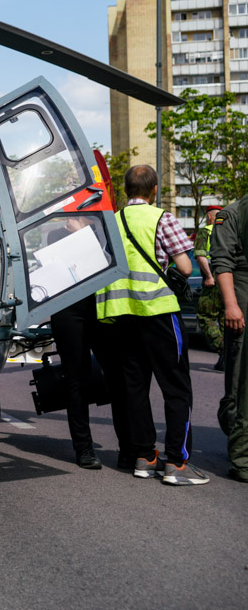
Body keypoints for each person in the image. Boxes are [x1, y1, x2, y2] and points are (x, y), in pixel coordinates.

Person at [95, 165, 206, 485]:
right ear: (154, 189)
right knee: (177, 388)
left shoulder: (111, 223)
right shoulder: (162, 218)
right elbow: (185, 267)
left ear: (126, 189)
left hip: (122, 315)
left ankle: (144, 457)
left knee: (135, 388)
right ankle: (177, 463)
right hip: (157, 311)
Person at [46, 217, 130, 469]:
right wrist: (80, 235)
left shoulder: (104, 229)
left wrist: (85, 233)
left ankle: (128, 447)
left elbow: (104, 264)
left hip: (101, 306)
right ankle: (84, 448)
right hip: (68, 310)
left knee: (117, 375)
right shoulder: (55, 235)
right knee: (76, 377)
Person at [209, 197, 248, 481]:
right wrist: (231, 304)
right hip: (243, 292)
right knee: (242, 380)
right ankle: (243, 460)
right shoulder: (232, 213)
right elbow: (222, 262)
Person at [193, 206, 226, 367]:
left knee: (205, 316)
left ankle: (224, 350)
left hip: (213, 281)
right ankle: (228, 358)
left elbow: (199, 255)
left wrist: (208, 276)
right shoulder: (229, 232)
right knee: (225, 319)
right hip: (229, 281)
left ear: (210, 218)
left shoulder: (206, 231)